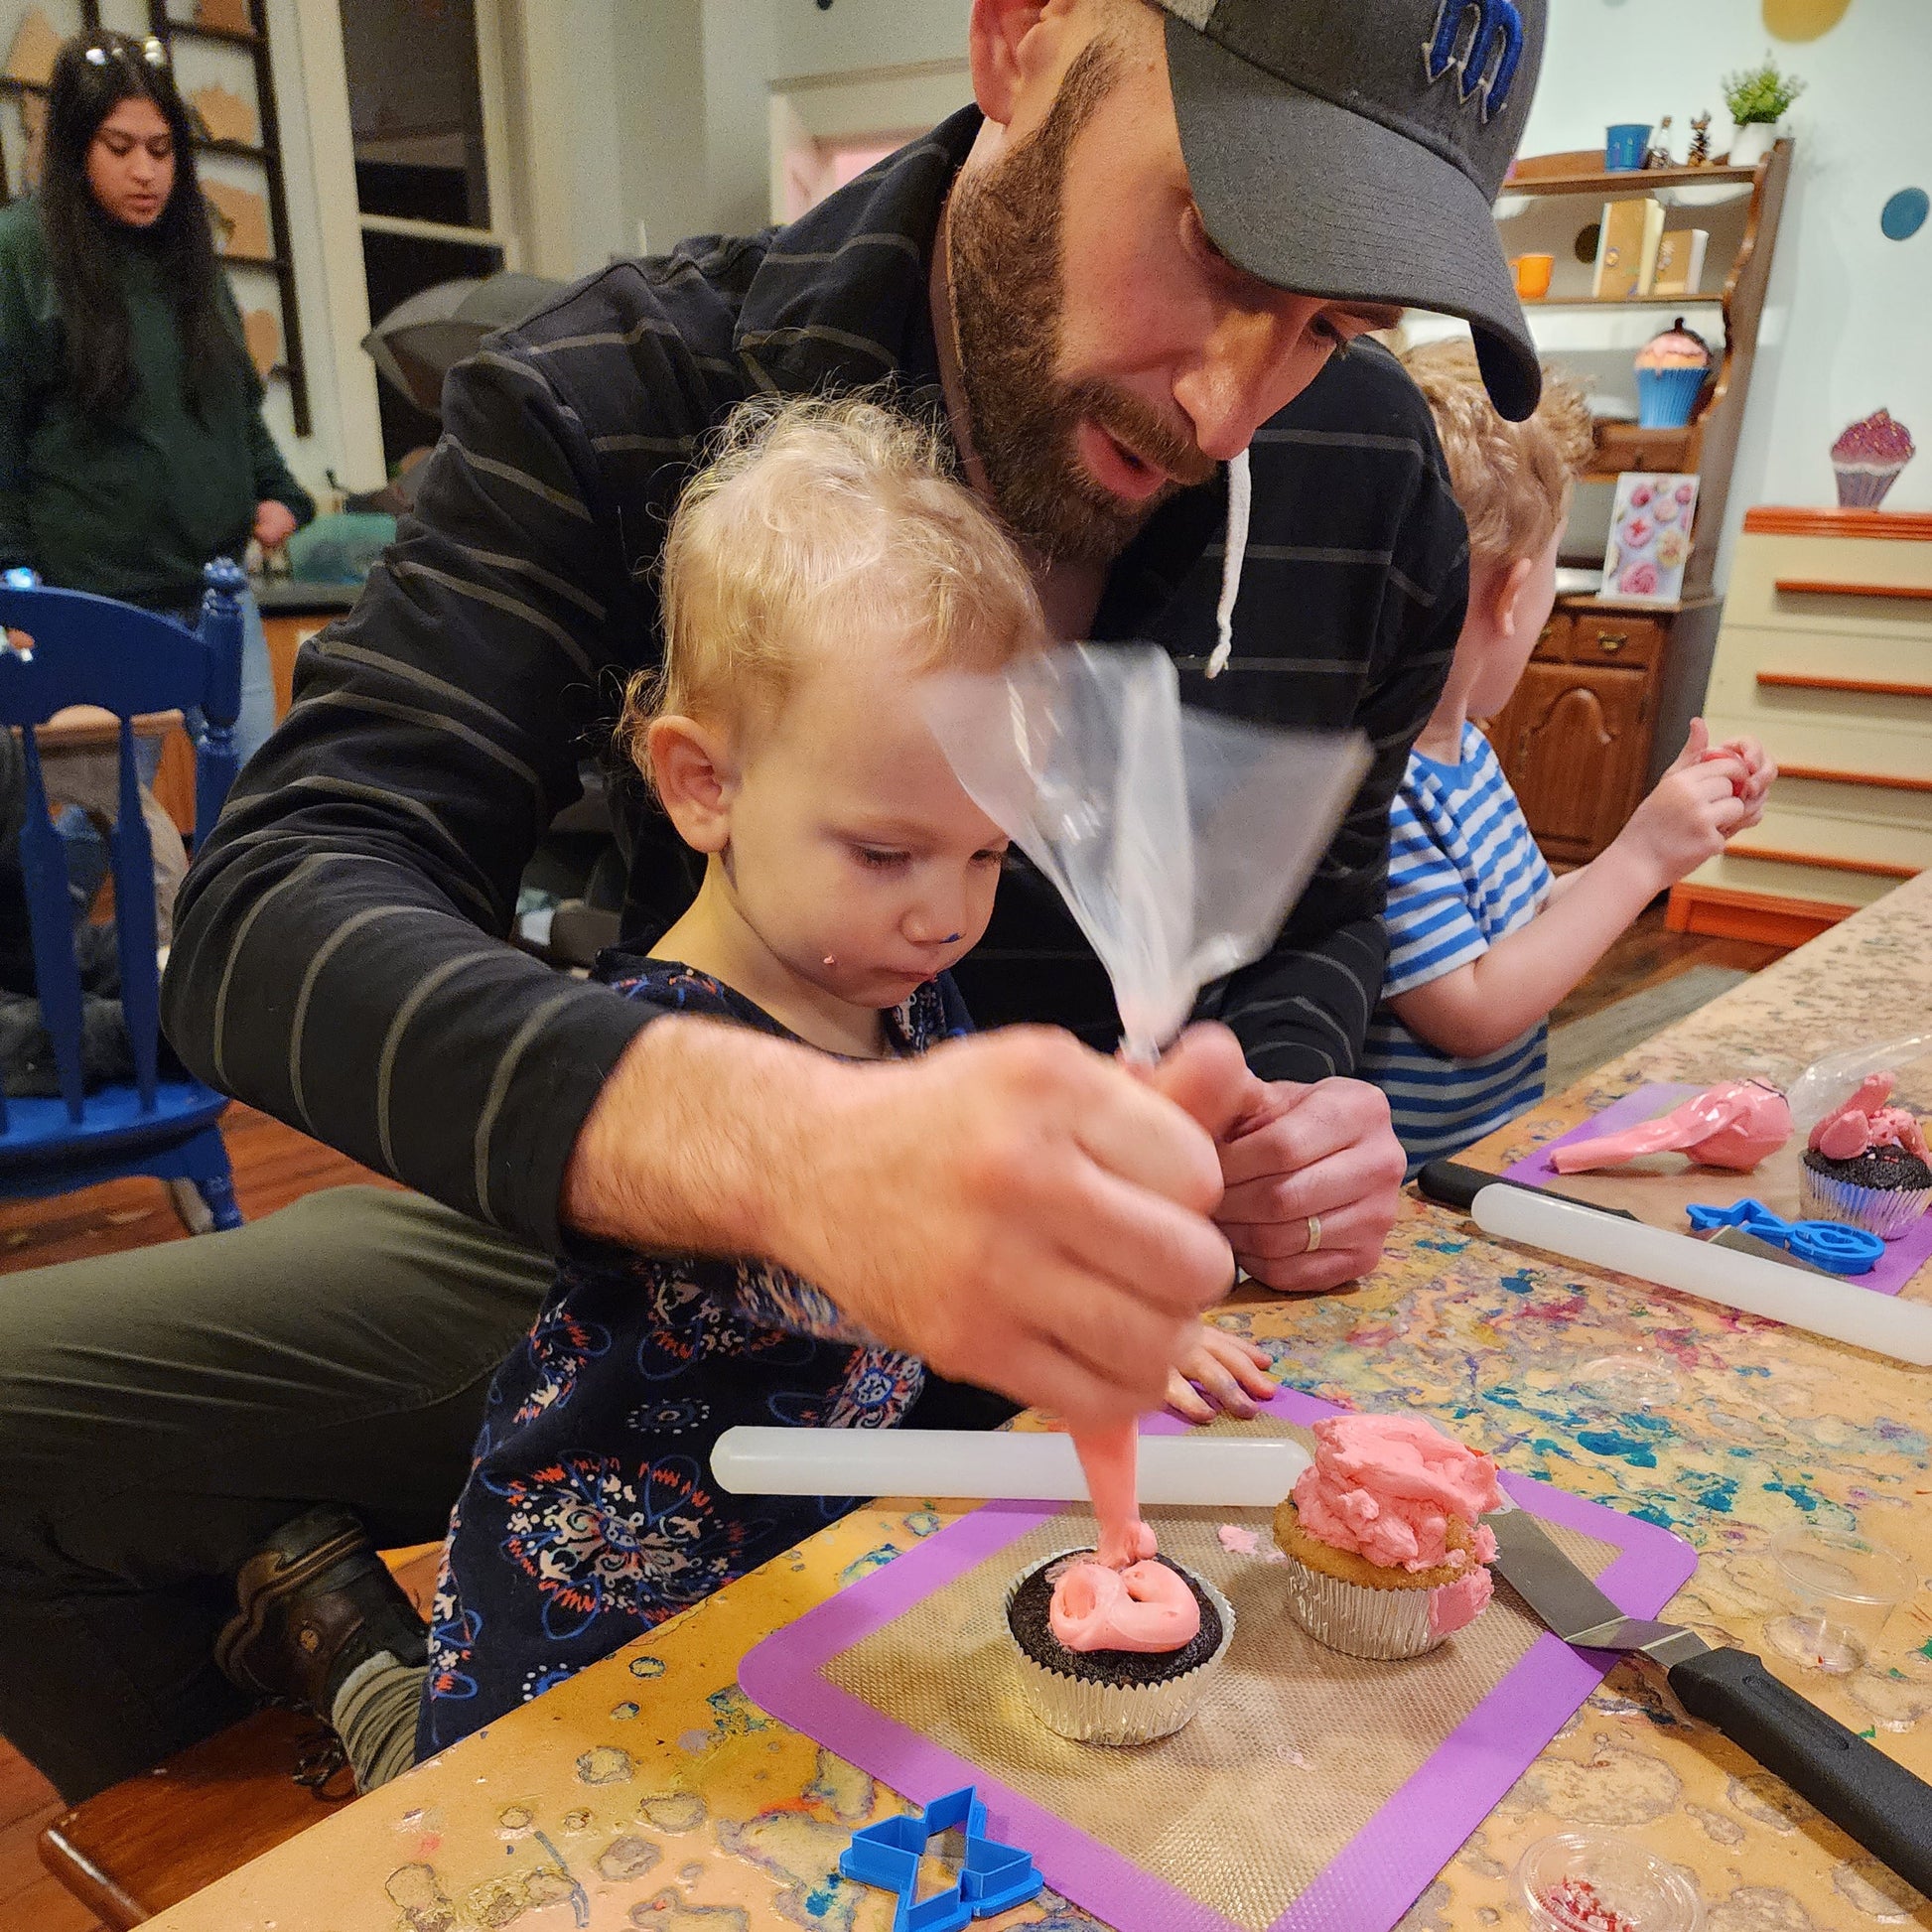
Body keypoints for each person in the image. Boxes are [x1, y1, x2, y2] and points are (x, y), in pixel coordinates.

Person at [0, 0, 1551, 1804]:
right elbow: (271, 902)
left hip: (1132, 1336)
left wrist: (1282, 1109)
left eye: (1333, 325)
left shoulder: (1371, 496)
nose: (1226, 402)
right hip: (685, 1249)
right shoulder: (621, 393)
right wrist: (798, 1152)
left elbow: (1325, 923)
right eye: (1213, 239)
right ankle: (358, 1798)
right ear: (1021, 38)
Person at [394, 394, 1276, 1773]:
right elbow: (861, 1269)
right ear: (702, 783)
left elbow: (974, 1237)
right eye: (885, 853)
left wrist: (1120, 1296)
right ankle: (361, 1687)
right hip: (589, 1648)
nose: (945, 914)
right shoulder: (654, 1047)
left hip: (806, 1592)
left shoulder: (900, 991)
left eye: (986, 857)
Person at [1361, 341, 1774, 1174]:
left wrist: (1665, 840)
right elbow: (1470, 1011)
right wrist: (1638, 859)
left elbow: (1520, 920)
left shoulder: (1466, 753)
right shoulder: (1385, 786)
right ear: (1514, 596)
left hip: (1477, 1154)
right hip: (1404, 1190)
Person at [0, 29, 313, 788]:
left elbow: (233, 401)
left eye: (162, 149)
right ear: (76, 147)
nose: (146, 171)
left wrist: (279, 491)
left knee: (256, 815)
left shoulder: (189, 254)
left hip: (215, 595)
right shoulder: (21, 250)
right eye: (120, 146)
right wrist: (14, 582)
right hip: (95, 607)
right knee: (91, 831)